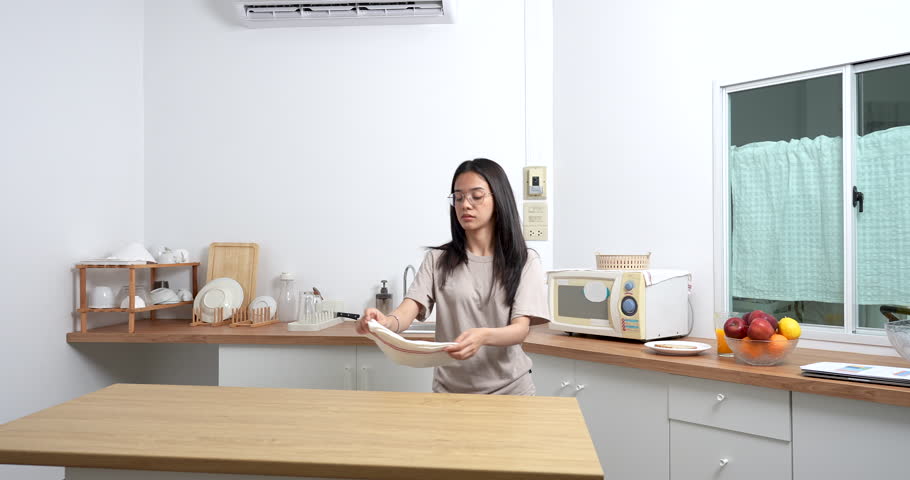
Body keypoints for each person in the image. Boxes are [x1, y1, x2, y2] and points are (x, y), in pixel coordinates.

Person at [355, 158, 550, 395]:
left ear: (498, 199)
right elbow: (408, 310)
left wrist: (484, 335)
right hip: (450, 393)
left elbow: (520, 330)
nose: (465, 205)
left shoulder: (524, 260)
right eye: (458, 197)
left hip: (511, 391)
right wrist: (385, 323)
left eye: (476, 196)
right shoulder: (438, 260)